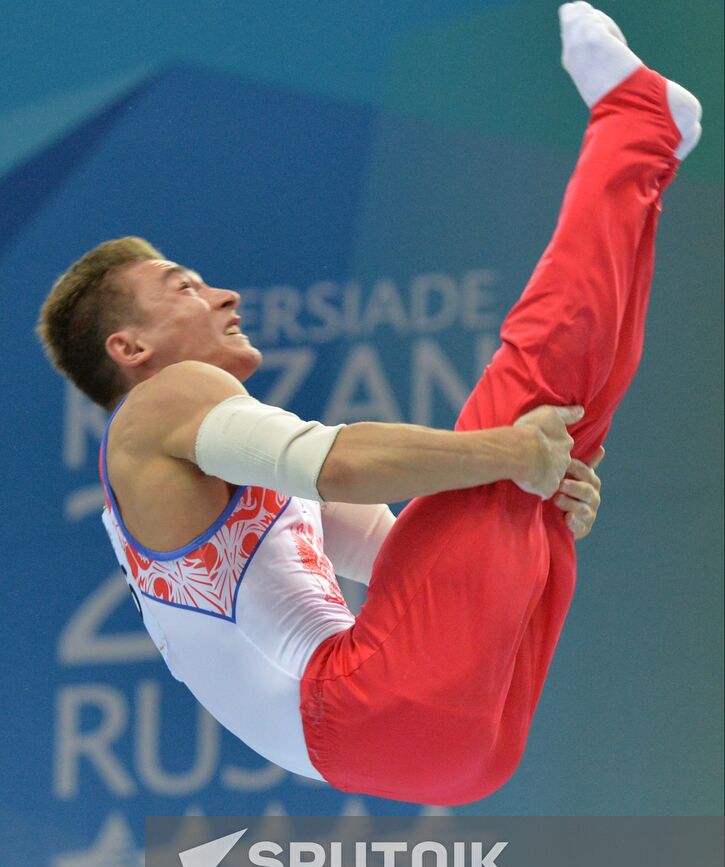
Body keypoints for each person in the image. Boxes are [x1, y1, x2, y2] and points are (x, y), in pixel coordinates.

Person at [36, 3, 702, 805]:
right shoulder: (156, 404)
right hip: (362, 709)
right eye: (183, 287)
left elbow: (409, 559)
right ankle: (633, 124)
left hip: (437, 754)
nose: (223, 293)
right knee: (526, 407)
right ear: (129, 349)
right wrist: (509, 456)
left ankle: (646, 153)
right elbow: (337, 463)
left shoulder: (192, 457)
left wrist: (533, 502)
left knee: (563, 429)